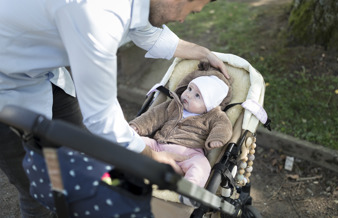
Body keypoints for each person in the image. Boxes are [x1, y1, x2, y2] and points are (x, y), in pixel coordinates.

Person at [0, 0, 230, 217]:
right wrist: (150, 156)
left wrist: (204, 53)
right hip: (6, 88)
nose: (183, 20)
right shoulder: (99, 16)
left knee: (82, 160)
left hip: (41, 74)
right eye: (191, 11)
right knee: (36, 186)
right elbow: (101, 116)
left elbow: (147, 32)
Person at [129, 62, 233, 207]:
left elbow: (224, 127)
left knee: (201, 165)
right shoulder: (173, 105)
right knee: (133, 141)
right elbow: (153, 116)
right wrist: (136, 126)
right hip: (158, 146)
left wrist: (217, 138)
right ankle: (123, 165)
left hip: (189, 153)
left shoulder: (214, 115)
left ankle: (189, 191)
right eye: (190, 89)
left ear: (209, 105)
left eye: (197, 95)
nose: (189, 95)